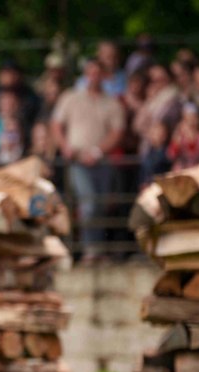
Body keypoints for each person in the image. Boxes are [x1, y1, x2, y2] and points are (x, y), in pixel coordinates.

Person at [51, 60, 125, 261]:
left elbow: (117, 131)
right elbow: (56, 124)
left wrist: (97, 152)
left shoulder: (112, 103)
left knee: (100, 205)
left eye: (97, 73)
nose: (94, 77)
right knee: (89, 203)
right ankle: (90, 250)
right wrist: (65, 146)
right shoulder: (70, 98)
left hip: (101, 161)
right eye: (90, 73)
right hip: (76, 161)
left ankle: (97, 251)